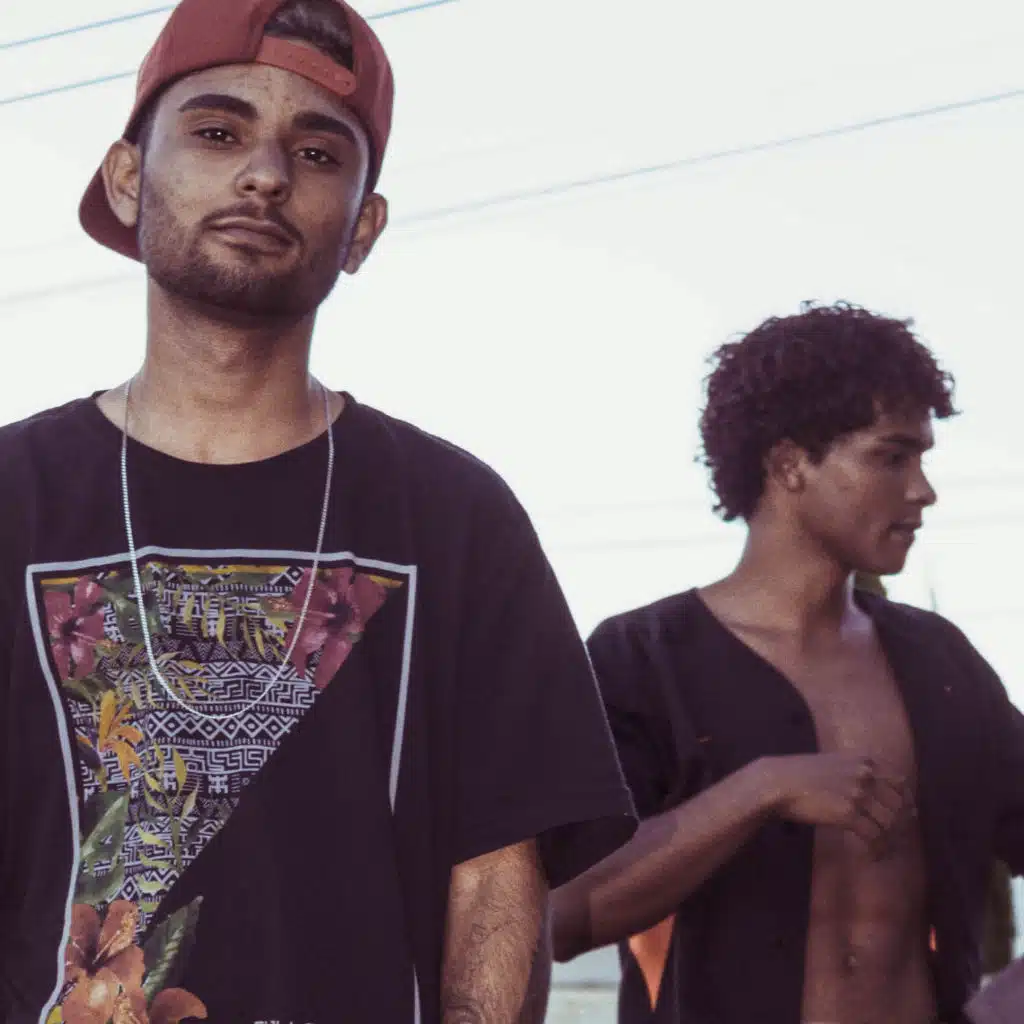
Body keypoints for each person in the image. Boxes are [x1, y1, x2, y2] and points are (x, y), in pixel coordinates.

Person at [0, 2, 637, 1022]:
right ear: (127, 178)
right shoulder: (15, 495)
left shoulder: (453, 516)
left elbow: (496, 879)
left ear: (363, 228)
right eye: (218, 132)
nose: (265, 174)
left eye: (316, 152)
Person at [551, 302, 1024, 1024]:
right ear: (789, 464)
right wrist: (760, 790)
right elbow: (563, 914)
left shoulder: (941, 662)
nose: (923, 490)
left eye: (922, 459)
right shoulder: (642, 659)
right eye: (892, 457)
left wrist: (1006, 1004)